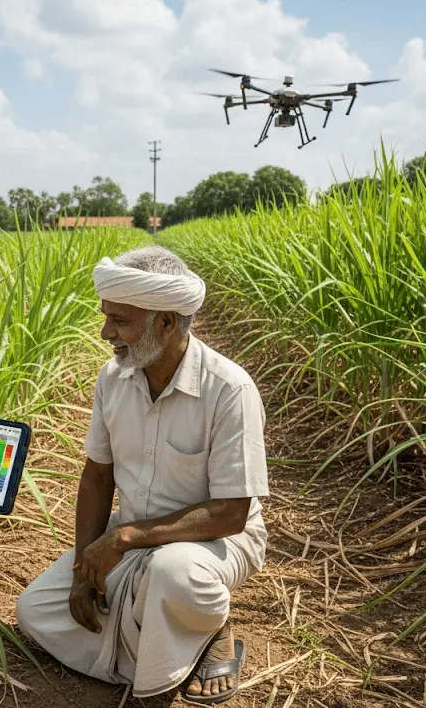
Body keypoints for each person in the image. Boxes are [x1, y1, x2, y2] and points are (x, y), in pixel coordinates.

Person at [15, 246, 269, 705]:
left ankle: (211, 628)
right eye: (107, 317)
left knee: (176, 573)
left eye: (120, 321)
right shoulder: (113, 379)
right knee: (33, 612)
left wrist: (125, 537)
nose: (105, 332)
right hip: (133, 536)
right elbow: (97, 477)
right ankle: (174, 639)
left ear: (166, 323)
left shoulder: (229, 390)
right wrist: (80, 574)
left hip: (213, 544)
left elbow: (232, 514)